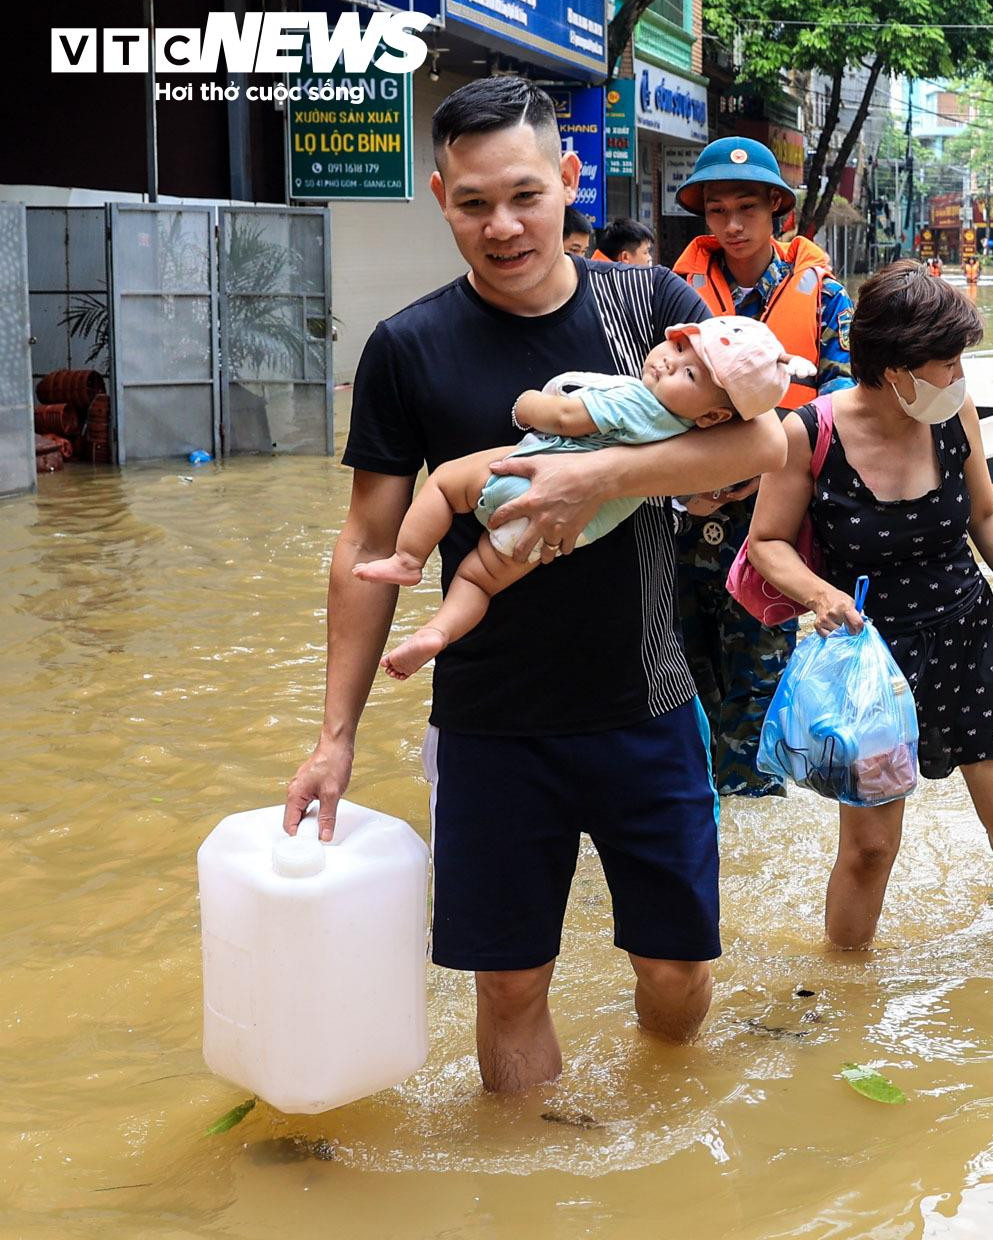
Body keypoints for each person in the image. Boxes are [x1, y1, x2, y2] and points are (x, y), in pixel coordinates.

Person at [282, 77, 785, 1093]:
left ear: (567, 180)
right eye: (472, 203)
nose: (501, 225)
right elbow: (366, 541)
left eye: (524, 195)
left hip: (646, 701)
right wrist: (332, 735)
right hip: (488, 719)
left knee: (678, 967)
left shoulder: (651, 310)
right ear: (440, 198)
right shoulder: (407, 348)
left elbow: (762, 438)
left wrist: (593, 476)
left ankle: (665, 1122)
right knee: (509, 987)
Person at [746, 262, 993, 948]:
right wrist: (820, 594)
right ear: (892, 367)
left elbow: (987, 515)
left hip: (967, 637)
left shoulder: (953, 410)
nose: (958, 374)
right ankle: (845, 987)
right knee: (871, 849)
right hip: (870, 659)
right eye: (945, 360)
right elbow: (766, 544)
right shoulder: (806, 433)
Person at [354, 317, 798, 679]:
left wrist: (526, 405)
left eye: (689, 372)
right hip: (568, 532)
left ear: (714, 414)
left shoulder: (636, 400)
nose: (668, 363)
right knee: (478, 579)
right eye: (678, 349)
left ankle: (408, 559)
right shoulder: (692, 440)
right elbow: (697, 501)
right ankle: (437, 632)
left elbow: (567, 417)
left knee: (446, 483)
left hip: (522, 478)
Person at [671, 137, 855, 798]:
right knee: (684, 684)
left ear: (778, 208)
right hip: (684, 518)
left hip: (772, 525)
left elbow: (840, 403)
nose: (731, 224)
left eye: (747, 207)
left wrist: (763, 467)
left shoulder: (826, 298)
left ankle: (754, 836)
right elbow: (646, 395)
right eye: (717, 209)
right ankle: (702, 821)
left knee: (760, 689)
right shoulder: (675, 295)